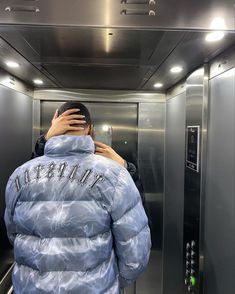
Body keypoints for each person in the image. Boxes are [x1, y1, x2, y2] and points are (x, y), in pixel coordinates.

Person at [5, 101, 151, 293]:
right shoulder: (116, 175)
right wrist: (109, 283)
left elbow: (13, 235)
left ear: (54, 123)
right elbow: (135, 252)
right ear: (90, 130)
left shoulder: (19, 175)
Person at [32, 107, 145, 204]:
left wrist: (45, 140)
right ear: (91, 130)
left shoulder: (24, 172)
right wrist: (124, 168)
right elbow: (133, 219)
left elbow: (33, 181)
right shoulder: (113, 172)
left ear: (53, 128)